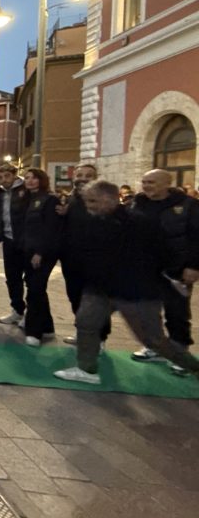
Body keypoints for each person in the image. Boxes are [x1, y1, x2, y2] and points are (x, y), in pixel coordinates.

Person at [54, 180, 199, 384]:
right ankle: (87, 369)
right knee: (86, 322)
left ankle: (193, 366)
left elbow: (163, 253)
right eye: (87, 201)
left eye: (93, 201)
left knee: (153, 340)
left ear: (109, 199)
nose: (89, 205)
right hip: (101, 287)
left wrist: (169, 276)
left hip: (134, 291)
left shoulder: (140, 222)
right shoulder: (96, 220)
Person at [129, 169, 199, 375]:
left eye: (151, 182)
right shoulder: (137, 202)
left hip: (176, 269)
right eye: (144, 182)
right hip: (145, 268)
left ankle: (180, 353)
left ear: (167, 183)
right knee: (147, 311)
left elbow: (197, 237)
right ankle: (155, 347)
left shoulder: (188, 205)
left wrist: (194, 266)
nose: (146, 186)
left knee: (177, 312)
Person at [57, 164, 111, 347]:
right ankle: (82, 332)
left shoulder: (104, 199)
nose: (83, 178)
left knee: (96, 300)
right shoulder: (71, 198)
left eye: (89, 175)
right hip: (71, 258)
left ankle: (100, 338)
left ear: (96, 178)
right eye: (80, 174)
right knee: (75, 297)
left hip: (97, 260)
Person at [21, 167, 61, 346]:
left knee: (35, 290)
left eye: (34, 178)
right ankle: (47, 327)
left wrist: (39, 252)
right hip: (28, 250)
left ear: (41, 180)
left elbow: (50, 229)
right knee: (35, 287)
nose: (29, 181)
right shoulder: (28, 198)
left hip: (42, 252)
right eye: (27, 178)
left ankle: (34, 332)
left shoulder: (50, 199)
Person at [0, 164, 29, 327]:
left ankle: (31, 313)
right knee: (12, 278)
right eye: (0, 178)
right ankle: (17, 310)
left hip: (27, 240)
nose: (4, 180)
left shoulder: (26, 189)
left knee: (31, 280)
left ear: (15, 175)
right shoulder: (0, 192)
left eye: (7, 176)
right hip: (9, 240)